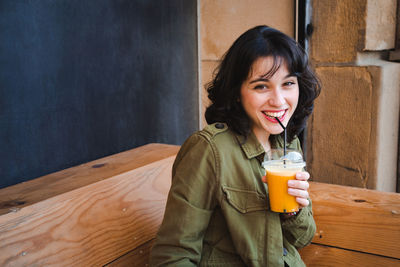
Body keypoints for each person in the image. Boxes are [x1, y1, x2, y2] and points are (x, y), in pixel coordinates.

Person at [150, 25, 321, 266]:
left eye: (288, 83)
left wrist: (292, 210)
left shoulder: (287, 142)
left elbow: (302, 238)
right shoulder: (209, 150)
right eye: (261, 86)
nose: (279, 101)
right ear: (237, 92)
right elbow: (171, 256)